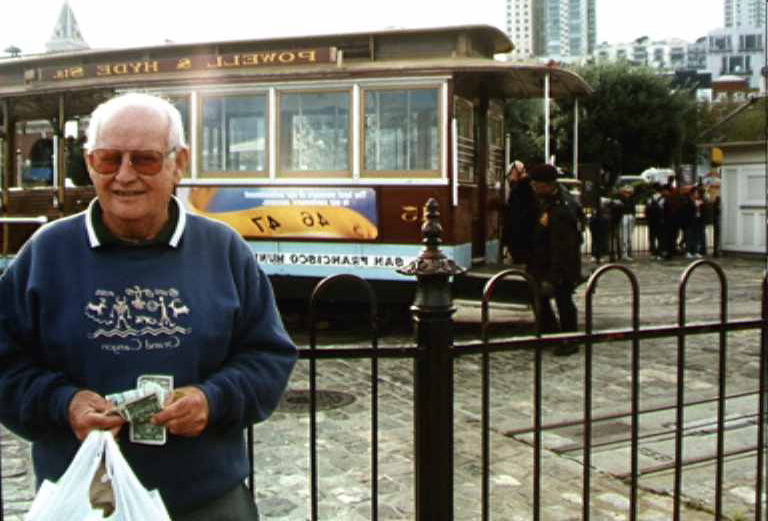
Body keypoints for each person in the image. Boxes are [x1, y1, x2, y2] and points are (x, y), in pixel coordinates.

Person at [0, 93, 298, 520]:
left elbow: (269, 356)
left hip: (206, 499)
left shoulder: (223, 249)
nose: (125, 176)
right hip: (84, 501)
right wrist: (62, 403)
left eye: (145, 160)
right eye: (109, 159)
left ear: (179, 163)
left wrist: (212, 400)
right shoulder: (46, 252)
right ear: (90, 164)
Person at [526, 163, 582, 356]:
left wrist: (553, 276)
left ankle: (570, 340)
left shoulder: (561, 208)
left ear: (548, 185)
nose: (534, 188)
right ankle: (550, 334)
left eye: (536, 185)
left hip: (560, 264)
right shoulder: (547, 200)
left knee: (563, 300)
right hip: (543, 261)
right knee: (538, 297)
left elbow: (563, 246)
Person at [502, 160, 537, 264]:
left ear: (516, 171)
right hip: (523, 226)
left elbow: (515, 207)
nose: (510, 176)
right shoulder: (526, 185)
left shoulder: (521, 186)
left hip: (520, 227)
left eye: (511, 173)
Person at [644, 183, 664, 260]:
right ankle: (660, 252)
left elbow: (646, 209)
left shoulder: (650, 198)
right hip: (660, 220)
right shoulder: (662, 198)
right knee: (660, 237)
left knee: (652, 236)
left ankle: (653, 252)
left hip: (651, 220)